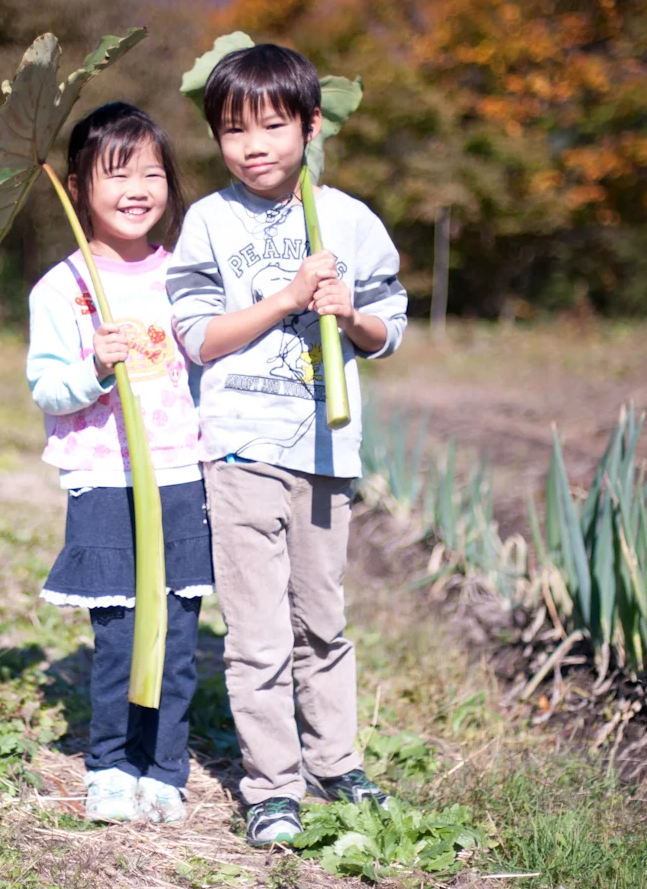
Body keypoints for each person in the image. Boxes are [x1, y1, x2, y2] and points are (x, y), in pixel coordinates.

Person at [167, 44, 408, 847]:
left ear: (310, 127)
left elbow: (389, 328)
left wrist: (348, 314)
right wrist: (286, 298)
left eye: (272, 126)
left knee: (321, 621)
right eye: (233, 130)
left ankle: (336, 762)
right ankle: (272, 787)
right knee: (257, 633)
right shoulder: (208, 222)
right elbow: (198, 336)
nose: (253, 146)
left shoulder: (350, 220)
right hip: (240, 450)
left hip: (325, 455)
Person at [27, 102, 213, 824]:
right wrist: (95, 367)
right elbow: (47, 388)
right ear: (78, 187)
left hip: (179, 474)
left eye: (152, 173)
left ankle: (165, 768)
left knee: (178, 634)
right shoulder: (61, 287)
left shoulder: (187, 276)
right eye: (116, 174)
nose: (137, 189)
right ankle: (110, 763)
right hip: (104, 478)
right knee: (117, 634)